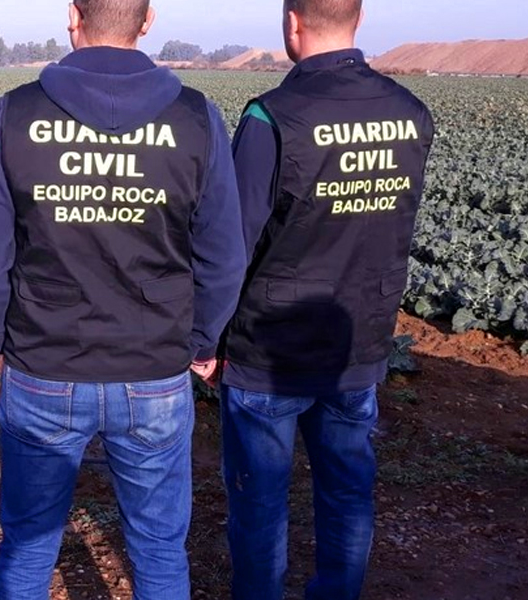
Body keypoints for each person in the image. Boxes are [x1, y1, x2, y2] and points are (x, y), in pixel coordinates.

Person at [0, 1, 245, 597]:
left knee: (29, 543)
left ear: (73, 17)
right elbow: (224, 255)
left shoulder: (17, 112)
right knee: (161, 549)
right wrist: (200, 340)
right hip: (155, 371)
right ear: (147, 21)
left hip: (42, 366)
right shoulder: (195, 118)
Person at [215, 1, 435, 599]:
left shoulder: (272, 118)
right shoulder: (410, 113)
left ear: (292, 23)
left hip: (270, 349)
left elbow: (234, 243)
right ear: (357, 23)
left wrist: (207, 335)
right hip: (357, 341)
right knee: (347, 491)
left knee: (259, 504)